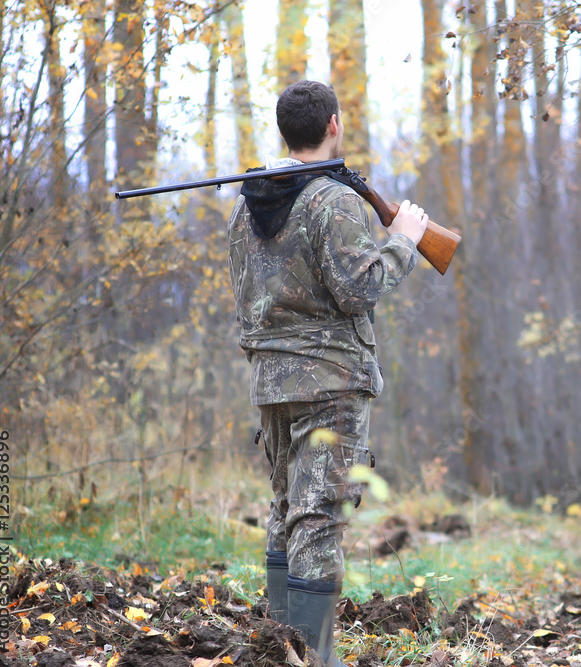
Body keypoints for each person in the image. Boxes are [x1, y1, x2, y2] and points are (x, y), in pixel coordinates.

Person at [227, 80, 428, 666]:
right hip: (331, 383)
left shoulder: (246, 203)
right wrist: (403, 241)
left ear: (284, 131)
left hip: (271, 381)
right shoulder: (332, 200)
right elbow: (357, 288)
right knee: (318, 516)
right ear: (333, 125)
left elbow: (252, 295)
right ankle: (316, 656)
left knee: (288, 508)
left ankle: (281, 647)